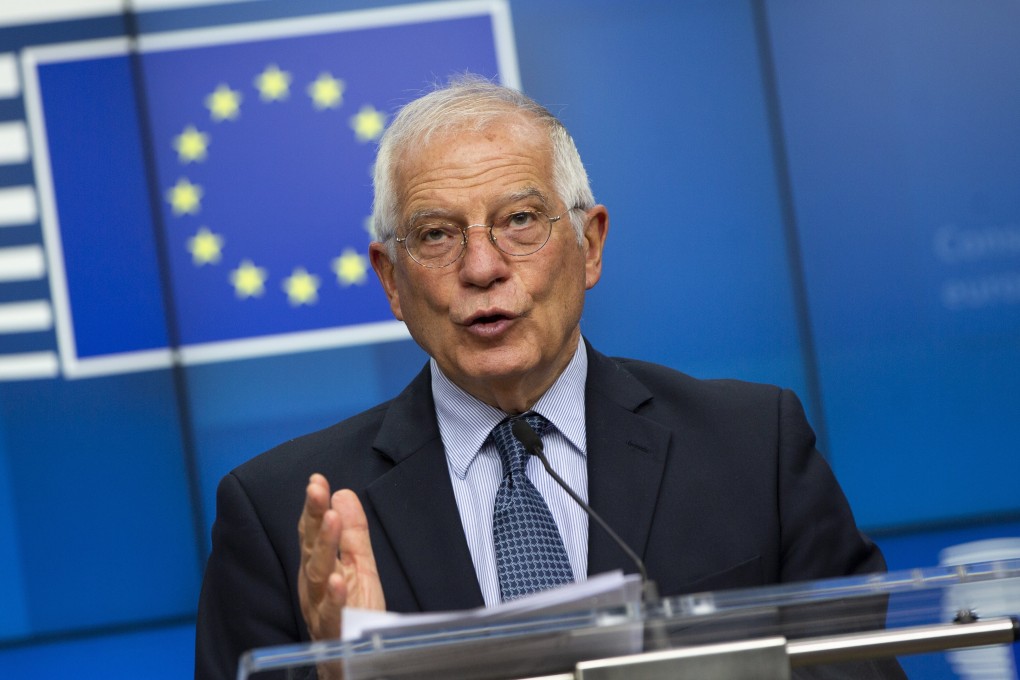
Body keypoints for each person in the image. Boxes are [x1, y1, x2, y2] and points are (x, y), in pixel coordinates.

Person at [195, 76, 898, 679]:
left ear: (589, 246)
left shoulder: (752, 447)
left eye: (520, 220)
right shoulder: (281, 519)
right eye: (437, 235)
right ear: (391, 281)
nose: (482, 268)